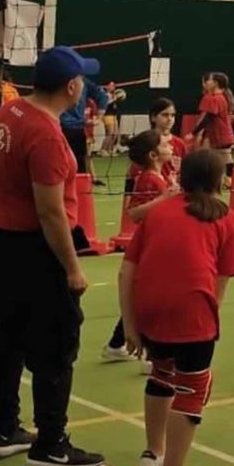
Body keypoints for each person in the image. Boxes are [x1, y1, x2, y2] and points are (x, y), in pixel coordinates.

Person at [0, 45, 104, 466]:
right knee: (56, 345)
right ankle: (51, 443)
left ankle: (4, 428)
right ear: (72, 86)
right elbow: (50, 212)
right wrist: (73, 268)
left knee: (4, 340)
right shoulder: (46, 136)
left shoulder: (7, 112)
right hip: (31, 249)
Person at [118, 148, 234, 466]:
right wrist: (207, 320)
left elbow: (126, 271)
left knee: (162, 374)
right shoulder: (226, 218)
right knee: (194, 388)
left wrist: (130, 323)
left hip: (149, 307)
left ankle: (153, 455)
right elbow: (220, 281)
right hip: (190, 311)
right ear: (218, 179)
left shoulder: (159, 212)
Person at [101, 130, 178, 365]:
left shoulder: (160, 176)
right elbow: (134, 213)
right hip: (151, 246)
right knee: (151, 298)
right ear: (153, 154)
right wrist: (165, 198)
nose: (171, 146)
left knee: (143, 297)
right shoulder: (148, 178)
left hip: (161, 243)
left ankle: (117, 345)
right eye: (165, 144)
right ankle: (150, 356)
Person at [193, 72, 234, 178]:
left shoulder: (215, 98)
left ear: (215, 83)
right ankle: (225, 179)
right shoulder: (219, 97)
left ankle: (228, 179)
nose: (206, 83)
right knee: (218, 158)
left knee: (217, 157)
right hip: (218, 134)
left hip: (220, 135)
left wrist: (195, 132)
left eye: (208, 80)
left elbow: (208, 117)